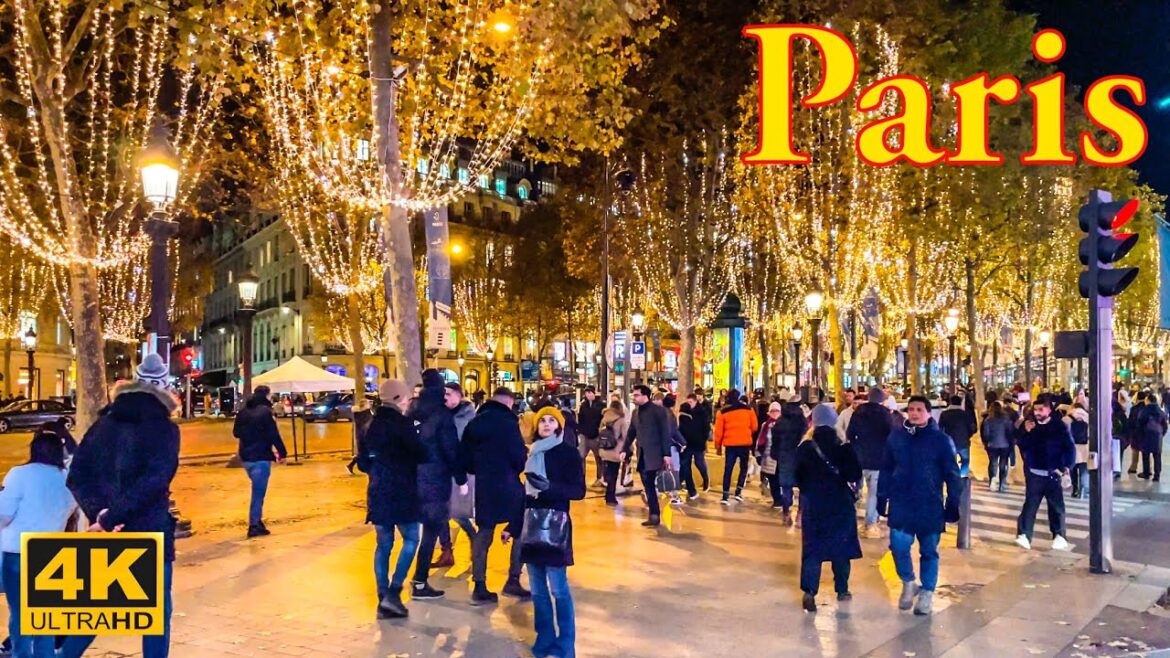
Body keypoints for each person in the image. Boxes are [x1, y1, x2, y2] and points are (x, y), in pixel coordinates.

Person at [62, 354, 181, 658]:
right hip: (149, 531)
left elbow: (77, 476)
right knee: (156, 613)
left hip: (106, 533)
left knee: (97, 607)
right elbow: (155, 480)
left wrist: (101, 515)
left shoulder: (103, 424)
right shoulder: (165, 428)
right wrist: (114, 515)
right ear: (163, 388)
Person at [877, 395, 962, 616]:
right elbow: (886, 468)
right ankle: (907, 581)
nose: (914, 413)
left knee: (929, 551)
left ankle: (926, 593)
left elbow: (952, 474)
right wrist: (881, 497)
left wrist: (953, 504)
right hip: (901, 502)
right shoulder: (896, 437)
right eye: (911, 409)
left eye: (919, 409)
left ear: (928, 413)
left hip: (930, 504)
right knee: (898, 546)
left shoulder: (941, 440)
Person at [0, 430, 77, 658]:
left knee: (21, 613)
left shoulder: (19, 474)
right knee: (45, 616)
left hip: (18, 552)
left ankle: (21, 655)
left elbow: (4, 514)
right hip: (51, 552)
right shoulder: (67, 479)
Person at [521, 406, 585, 658]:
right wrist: (514, 526)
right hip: (531, 523)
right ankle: (544, 637)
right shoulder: (532, 454)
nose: (546, 424)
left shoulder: (567, 453)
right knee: (537, 588)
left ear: (559, 425)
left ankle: (565, 644)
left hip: (555, 525)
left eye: (551, 421)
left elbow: (578, 491)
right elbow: (524, 495)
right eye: (542, 421)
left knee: (558, 587)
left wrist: (549, 487)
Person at [361, 379, 425, 619]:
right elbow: (420, 453)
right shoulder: (404, 424)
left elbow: (363, 461)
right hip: (402, 492)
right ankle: (394, 592)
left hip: (378, 490)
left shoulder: (369, 425)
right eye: (406, 398)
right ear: (398, 399)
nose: (408, 402)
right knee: (410, 539)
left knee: (383, 545)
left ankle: (382, 596)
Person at [460, 386, 530, 605]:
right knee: (520, 528)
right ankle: (513, 580)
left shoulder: (475, 422)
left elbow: (465, 457)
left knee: (485, 532)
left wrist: (477, 470)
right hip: (508, 482)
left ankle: (479, 586)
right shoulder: (509, 424)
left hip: (484, 484)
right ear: (508, 402)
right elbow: (518, 456)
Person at [795, 404, 863, 612]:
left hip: (815, 503)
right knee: (840, 548)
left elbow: (797, 477)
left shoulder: (805, 447)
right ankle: (842, 589)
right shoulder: (843, 445)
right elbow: (854, 473)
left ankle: (809, 592)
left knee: (812, 549)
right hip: (840, 502)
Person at [410, 369, 469, 600]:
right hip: (435, 481)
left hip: (413, 478)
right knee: (431, 532)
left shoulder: (413, 412)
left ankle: (402, 581)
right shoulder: (442, 415)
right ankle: (419, 581)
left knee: (415, 534)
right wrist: (461, 479)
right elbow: (451, 450)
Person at [1014, 393, 1076, 552]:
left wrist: (1067, 468)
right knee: (1030, 505)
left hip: (1054, 472)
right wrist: (1026, 432)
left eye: (1041, 409)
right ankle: (1024, 534)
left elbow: (1069, 448)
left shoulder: (1059, 426)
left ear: (1049, 409)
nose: (1037, 413)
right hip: (1034, 472)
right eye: (1035, 410)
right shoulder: (1029, 425)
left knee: (1056, 506)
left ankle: (1059, 535)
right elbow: (1021, 444)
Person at [232, 385, 288, 538]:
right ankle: (254, 524)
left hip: (246, 457)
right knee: (258, 493)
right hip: (260, 457)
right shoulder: (265, 412)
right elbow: (273, 434)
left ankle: (258, 521)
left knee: (258, 490)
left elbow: (236, 433)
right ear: (266, 395)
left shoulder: (243, 412)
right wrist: (282, 453)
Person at [434, 382, 478, 570]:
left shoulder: (469, 416)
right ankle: (446, 550)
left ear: (460, 395)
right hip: (441, 470)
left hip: (461, 472)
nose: (446, 397)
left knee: (457, 513)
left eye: (450, 394)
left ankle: (474, 539)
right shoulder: (441, 415)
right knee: (440, 512)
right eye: (444, 394)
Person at [846, 387, 894, 538]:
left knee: (856, 490)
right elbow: (891, 435)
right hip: (878, 459)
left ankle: (850, 521)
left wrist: (856, 447)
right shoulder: (885, 414)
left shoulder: (858, 412)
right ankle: (870, 524)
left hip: (859, 458)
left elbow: (850, 433)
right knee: (873, 492)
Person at [624, 384, 673, 527]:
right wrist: (624, 449)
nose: (634, 397)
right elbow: (631, 432)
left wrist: (666, 454)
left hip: (655, 454)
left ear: (645, 396)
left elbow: (665, 433)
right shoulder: (636, 413)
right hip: (643, 454)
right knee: (648, 485)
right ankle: (654, 514)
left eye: (637, 395)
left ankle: (655, 514)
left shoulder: (659, 411)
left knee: (651, 483)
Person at [714, 388, 759, 505]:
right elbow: (755, 427)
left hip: (730, 445)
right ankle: (738, 491)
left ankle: (725, 495)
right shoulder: (749, 410)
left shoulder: (722, 412)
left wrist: (717, 447)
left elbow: (718, 432)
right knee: (743, 468)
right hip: (744, 444)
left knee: (728, 469)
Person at [771, 399, 807, 526]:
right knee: (803, 487)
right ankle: (800, 514)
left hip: (784, 456)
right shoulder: (802, 420)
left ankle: (786, 512)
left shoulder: (780, 421)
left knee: (786, 486)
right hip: (800, 457)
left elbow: (774, 439)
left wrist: (775, 454)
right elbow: (806, 438)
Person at [597, 399, 630, 506]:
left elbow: (600, 431)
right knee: (614, 474)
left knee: (608, 471)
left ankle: (607, 494)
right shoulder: (621, 419)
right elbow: (625, 436)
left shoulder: (604, 417)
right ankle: (610, 497)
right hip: (616, 451)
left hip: (604, 450)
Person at [981, 400, 1016, 492]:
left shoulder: (988, 420)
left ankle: (992, 480)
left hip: (992, 445)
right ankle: (1002, 483)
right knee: (1003, 463)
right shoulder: (1006, 419)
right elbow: (1010, 431)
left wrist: (987, 442)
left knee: (993, 463)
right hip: (1005, 444)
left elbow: (986, 434)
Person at [938, 395, 976, 478]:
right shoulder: (965, 414)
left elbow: (940, 429)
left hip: (949, 442)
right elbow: (972, 428)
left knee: (951, 461)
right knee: (965, 461)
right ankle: (962, 475)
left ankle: (953, 476)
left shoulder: (944, 414)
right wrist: (968, 436)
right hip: (963, 442)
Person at [678, 398, 709, 499]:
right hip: (687, 445)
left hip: (698, 443)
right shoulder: (685, 414)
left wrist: (703, 440)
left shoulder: (702, 412)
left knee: (698, 462)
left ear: (696, 401)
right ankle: (688, 488)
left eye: (691, 402)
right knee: (686, 465)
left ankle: (705, 478)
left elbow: (706, 428)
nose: (689, 403)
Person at [756, 402, 784, 508]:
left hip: (781, 456)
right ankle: (777, 500)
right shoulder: (765, 425)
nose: (775, 413)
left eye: (777, 411)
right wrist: (758, 454)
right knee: (773, 479)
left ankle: (783, 499)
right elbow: (760, 441)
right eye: (773, 411)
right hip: (769, 457)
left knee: (781, 479)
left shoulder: (784, 424)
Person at [577, 387, 606, 486]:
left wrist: (599, 432)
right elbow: (580, 419)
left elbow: (603, 420)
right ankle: (581, 478)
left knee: (599, 458)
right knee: (581, 457)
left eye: (590, 393)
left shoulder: (601, 405)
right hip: (584, 435)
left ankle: (600, 478)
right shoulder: (583, 405)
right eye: (586, 393)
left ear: (594, 393)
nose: (588, 395)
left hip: (596, 436)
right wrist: (580, 431)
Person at [1136, 393, 1166, 481]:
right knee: (1157, 456)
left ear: (1148, 400)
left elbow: (1140, 423)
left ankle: (1146, 472)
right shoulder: (1160, 411)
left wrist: (1140, 435)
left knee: (1145, 455)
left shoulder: (1144, 410)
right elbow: (1165, 425)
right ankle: (1157, 475)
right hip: (1157, 436)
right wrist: (1161, 434)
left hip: (1146, 434)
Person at [1064, 403, 1091, 497]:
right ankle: (1083, 490)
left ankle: (1074, 489)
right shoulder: (1088, 417)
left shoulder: (1068, 418)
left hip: (1072, 447)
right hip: (1085, 447)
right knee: (1084, 470)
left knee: (1073, 469)